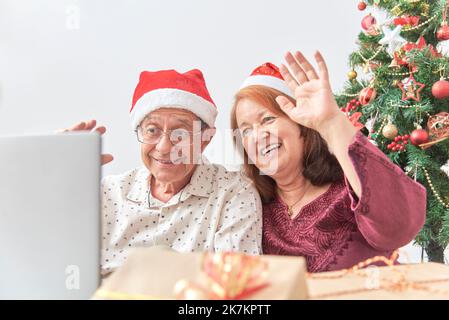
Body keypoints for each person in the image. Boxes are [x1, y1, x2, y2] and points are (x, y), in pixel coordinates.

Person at [230, 51, 426, 272]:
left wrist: (331, 122)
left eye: (268, 119)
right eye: (245, 130)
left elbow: (400, 226)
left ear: (302, 126)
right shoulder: (247, 208)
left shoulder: (350, 189)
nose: (256, 136)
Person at [64, 68, 262, 276]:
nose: (164, 147)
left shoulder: (233, 193)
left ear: (206, 139)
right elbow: (57, 261)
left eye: (181, 133)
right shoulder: (108, 193)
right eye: (152, 130)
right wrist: (54, 177)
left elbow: (236, 286)